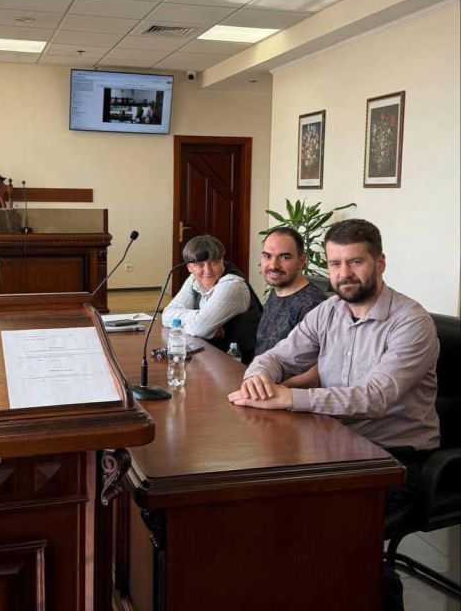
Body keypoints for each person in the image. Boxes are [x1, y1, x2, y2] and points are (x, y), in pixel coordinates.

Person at [229, 219, 440, 518]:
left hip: (393, 455)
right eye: (335, 263)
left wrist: (289, 397)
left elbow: (375, 398)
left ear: (380, 263)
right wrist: (257, 376)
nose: (344, 273)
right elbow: (279, 357)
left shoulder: (411, 322)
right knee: (253, 484)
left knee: (306, 513)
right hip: (333, 438)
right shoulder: (329, 310)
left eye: (356, 262)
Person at [162, 234, 262, 363]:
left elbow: (198, 328)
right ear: (189, 267)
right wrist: (200, 318)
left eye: (214, 262)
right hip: (212, 358)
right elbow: (167, 315)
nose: (208, 270)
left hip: (242, 365)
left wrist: (200, 323)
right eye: (200, 264)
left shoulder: (232, 284)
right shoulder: (193, 279)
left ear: (222, 260)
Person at [256, 226, 326, 357]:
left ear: (301, 261)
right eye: (267, 256)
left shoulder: (313, 306)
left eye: (284, 257)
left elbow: (316, 366)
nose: (273, 265)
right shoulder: (277, 291)